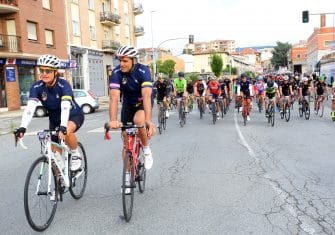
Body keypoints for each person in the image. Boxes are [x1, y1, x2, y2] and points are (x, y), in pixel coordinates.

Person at [15, 54, 84, 171]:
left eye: (48, 71)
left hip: (73, 115)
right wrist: (22, 127)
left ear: (55, 72)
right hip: (54, 120)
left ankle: (75, 153)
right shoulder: (37, 87)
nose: (44, 73)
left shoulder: (64, 85)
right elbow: (30, 108)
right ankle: (61, 179)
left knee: (66, 130)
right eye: (41, 70)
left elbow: (65, 106)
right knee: (54, 155)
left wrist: (63, 126)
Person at [108, 46, 155, 173]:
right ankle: (128, 176)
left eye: (125, 61)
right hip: (128, 104)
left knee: (139, 120)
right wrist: (113, 120)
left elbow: (146, 96)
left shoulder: (143, 70)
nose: (121, 64)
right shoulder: (116, 72)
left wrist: (148, 121)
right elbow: (114, 98)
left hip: (141, 103)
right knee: (126, 143)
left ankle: (146, 149)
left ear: (134, 60)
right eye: (120, 61)